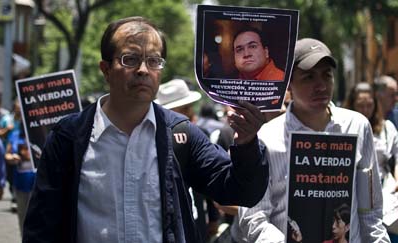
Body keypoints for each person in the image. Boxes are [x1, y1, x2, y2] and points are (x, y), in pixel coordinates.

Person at [23, 16, 268, 243]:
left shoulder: (181, 135)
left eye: (153, 61)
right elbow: (41, 228)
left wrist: (246, 143)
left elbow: (239, 192)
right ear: (105, 70)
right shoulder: (68, 137)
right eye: (130, 59)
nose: (143, 70)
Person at [238, 38, 390, 242]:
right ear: (288, 83)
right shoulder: (266, 137)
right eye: (308, 77)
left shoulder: (358, 126)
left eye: (326, 76)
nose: (321, 86)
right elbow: (253, 217)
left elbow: (370, 213)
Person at [155, 78, 221, 241]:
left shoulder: (197, 136)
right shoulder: (153, 139)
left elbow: (209, 178)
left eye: (189, 107)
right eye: (185, 108)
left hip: (195, 222)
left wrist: (213, 218)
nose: (191, 112)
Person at [344, 82, 398, 184]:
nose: (365, 110)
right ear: (352, 105)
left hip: (384, 187)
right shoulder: (343, 129)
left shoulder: (387, 128)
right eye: (360, 105)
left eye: (369, 105)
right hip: (353, 187)